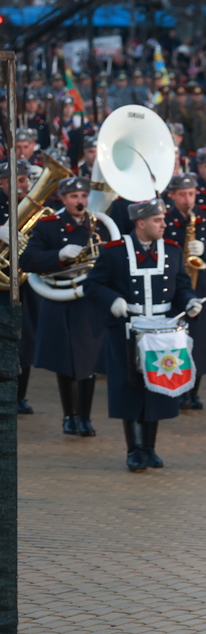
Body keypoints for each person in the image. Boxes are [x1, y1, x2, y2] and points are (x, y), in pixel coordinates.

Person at [83, 198, 202, 472]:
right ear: (141, 223)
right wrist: (112, 300)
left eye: (163, 219)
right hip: (127, 330)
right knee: (130, 388)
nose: (164, 224)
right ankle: (133, 450)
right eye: (158, 220)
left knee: (158, 386)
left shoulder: (171, 250)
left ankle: (150, 448)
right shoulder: (114, 252)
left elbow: (182, 286)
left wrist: (190, 301)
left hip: (162, 332)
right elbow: (93, 285)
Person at [19, 176, 113, 437]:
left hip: (88, 299)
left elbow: (109, 256)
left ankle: (85, 417)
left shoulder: (98, 225)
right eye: (74, 197)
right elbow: (26, 260)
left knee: (89, 360)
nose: (80, 201)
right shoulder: (48, 225)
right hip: (59, 298)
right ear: (63, 199)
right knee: (64, 360)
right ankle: (69, 416)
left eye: (83, 196)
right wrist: (57, 256)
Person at [164, 173, 206, 410]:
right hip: (174, 285)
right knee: (176, 338)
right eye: (182, 195)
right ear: (172, 196)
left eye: (191, 194)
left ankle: (194, 391)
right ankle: (177, 388)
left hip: (204, 283)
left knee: (202, 340)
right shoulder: (165, 218)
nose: (188, 199)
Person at [0, 159, 38, 414]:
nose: (23, 185)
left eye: (25, 180)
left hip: (26, 282)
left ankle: (19, 396)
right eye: (17, 180)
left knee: (25, 339)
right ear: (2, 183)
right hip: (2, 283)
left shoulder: (36, 206)